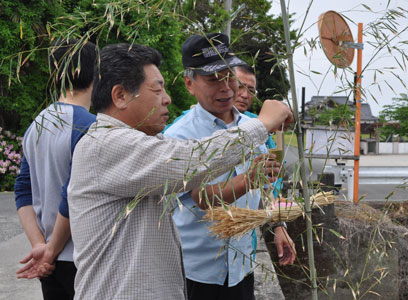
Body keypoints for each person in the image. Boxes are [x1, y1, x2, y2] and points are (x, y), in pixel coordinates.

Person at [67, 43, 293, 300]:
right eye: (156, 89)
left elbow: (191, 156)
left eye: (230, 77)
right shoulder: (106, 145)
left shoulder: (148, 141)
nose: (167, 98)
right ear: (120, 96)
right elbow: (191, 162)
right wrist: (262, 126)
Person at [164, 33, 296, 300]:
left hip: (243, 267)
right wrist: (248, 179)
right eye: (213, 79)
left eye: (229, 76)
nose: (225, 87)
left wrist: (278, 226)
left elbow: (265, 185)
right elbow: (199, 197)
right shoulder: (179, 136)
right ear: (190, 84)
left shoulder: (252, 126)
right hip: (198, 273)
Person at [14, 39, 97, 300]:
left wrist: (41, 246)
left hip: (50, 260)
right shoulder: (91, 127)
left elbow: (23, 190)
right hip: (82, 257)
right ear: (98, 73)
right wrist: (51, 249)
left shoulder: (37, 124)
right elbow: (73, 194)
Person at [233, 64, 277, 149]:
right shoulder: (207, 118)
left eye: (251, 90)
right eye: (239, 87)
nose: (245, 95)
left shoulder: (258, 122)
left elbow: (274, 155)